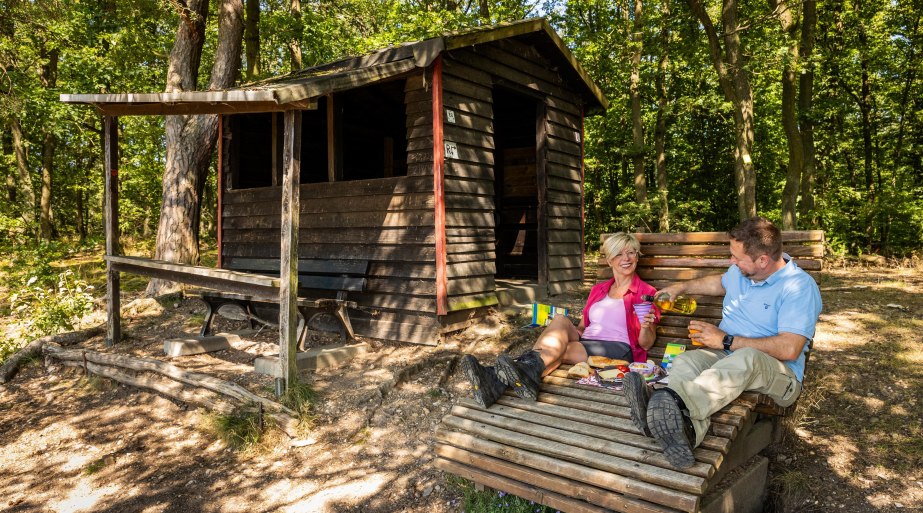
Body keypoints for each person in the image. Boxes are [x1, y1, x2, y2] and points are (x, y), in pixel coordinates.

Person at [622, 217, 822, 469]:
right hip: (729, 357)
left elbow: (789, 348)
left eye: (736, 258)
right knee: (687, 360)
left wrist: (725, 339)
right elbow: (718, 282)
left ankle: (661, 407)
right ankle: (684, 430)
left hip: (779, 375)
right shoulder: (742, 273)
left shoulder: (798, 287)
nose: (732, 262)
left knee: (746, 358)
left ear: (762, 260)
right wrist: (680, 287)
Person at [461, 232, 661, 408]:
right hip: (587, 341)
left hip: (617, 348)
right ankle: (507, 382)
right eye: (619, 253)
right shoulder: (598, 290)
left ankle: (493, 379)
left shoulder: (646, 293)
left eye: (631, 252)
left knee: (559, 351)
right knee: (558, 323)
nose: (626, 258)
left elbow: (646, 344)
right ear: (609, 261)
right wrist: (563, 335)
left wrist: (646, 326)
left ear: (637, 256)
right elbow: (583, 326)